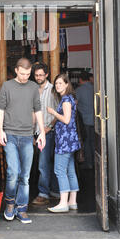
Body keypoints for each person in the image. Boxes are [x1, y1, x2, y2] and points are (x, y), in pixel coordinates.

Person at [0, 57, 46, 224]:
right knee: (13, 173)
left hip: (27, 136)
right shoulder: (7, 86)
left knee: (24, 176)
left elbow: (38, 110)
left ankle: (22, 209)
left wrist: (42, 132)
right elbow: (0, 110)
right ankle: (9, 204)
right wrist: (0, 130)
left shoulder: (33, 87)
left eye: (28, 74)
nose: (26, 77)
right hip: (10, 134)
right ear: (16, 70)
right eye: (23, 73)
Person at [47, 74, 81, 213]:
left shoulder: (66, 100)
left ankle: (63, 203)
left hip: (65, 141)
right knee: (70, 170)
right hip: (70, 140)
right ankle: (72, 201)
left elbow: (66, 120)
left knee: (60, 170)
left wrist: (53, 112)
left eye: (61, 83)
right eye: (56, 84)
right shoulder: (69, 98)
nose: (58, 86)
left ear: (67, 84)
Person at [31, 63, 59, 206]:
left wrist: (48, 128)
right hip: (35, 131)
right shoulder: (33, 89)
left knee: (43, 163)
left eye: (41, 75)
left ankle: (43, 193)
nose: (39, 77)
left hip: (48, 132)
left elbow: (58, 111)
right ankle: (54, 191)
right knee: (45, 162)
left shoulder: (53, 90)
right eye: (36, 75)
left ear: (47, 75)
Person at [75, 71, 95, 169]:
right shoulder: (94, 88)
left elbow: (74, 103)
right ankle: (95, 163)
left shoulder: (79, 90)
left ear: (80, 80)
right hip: (96, 120)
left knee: (86, 142)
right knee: (94, 142)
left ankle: (89, 163)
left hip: (85, 120)